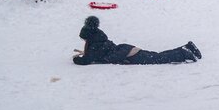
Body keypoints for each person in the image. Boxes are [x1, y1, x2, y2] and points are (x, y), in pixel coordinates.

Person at [72, 16, 201, 65]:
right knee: (157, 55)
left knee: (158, 58)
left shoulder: (95, 46)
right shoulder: (99, 38)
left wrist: (76, 59)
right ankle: (188, 47)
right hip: (127, 50)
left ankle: (184, 53)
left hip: (130, 55)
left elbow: (86, 60)